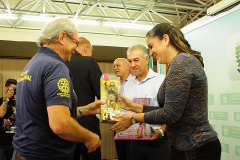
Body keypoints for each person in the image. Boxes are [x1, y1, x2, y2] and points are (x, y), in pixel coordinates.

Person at [111, 23, 221, 160]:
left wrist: (133, 118)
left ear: (166, 39)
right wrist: (134, 107)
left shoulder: (181, 63)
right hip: (187, 146)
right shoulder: (180, 62)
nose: (150, 52)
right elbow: (170, 108)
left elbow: (170, 114)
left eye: (151, 46)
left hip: (195, 147)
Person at [12, 18, 104, 160]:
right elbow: (60, 124)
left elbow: (42, 113)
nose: (76, 49)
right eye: (76, 42)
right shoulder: (55, 66)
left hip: (23, 152)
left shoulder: (32, 64)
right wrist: (90, 137)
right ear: (62, 37)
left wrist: (84, 110)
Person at [120, 44, 171, 160]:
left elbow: (169, 112)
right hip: (134, 141)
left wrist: (161, 132)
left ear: (147, 59)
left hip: (159, 141)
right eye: (129, 61)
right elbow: (124, 110)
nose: (132, 65)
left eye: (136, 60)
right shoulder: (127, 84)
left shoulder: (161, 80)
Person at [66, 37, 102, 160]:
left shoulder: (60, 63)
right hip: (87, 122)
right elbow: (102, 92)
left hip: (65, 121)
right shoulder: (89, 61)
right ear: (86, 48)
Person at [113, 58, 132, 160]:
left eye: (118, 65)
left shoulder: (135, 82)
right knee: (121, 155)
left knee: (132, 155)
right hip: (118, 124)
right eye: (114, 66)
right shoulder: (112, 84)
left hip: (133, 124)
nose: (115, 68)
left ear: (127, 66)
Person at [0, 79, 17, 160]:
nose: (14, 91)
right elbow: (1, 114)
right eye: (13, 89)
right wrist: (6, 98)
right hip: (2, 143)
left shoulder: (19, 102)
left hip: (16, 143)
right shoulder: (1, 101)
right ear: (6, 89)